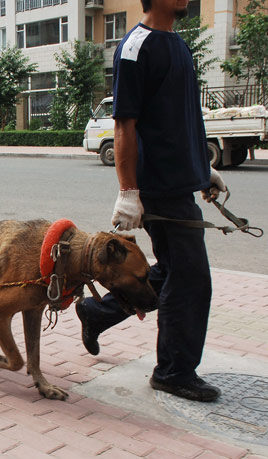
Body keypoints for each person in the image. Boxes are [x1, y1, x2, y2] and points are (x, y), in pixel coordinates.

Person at [75, 0, 227, 402]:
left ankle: (98, 312)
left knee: (177, 271)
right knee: (191, 279)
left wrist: (202, 170)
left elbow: (184, 118)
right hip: (158, 187)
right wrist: (128, 193)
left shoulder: (179, 45)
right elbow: (125, 123)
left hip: (179, 183)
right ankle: (174, 372)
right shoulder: (135, 47)